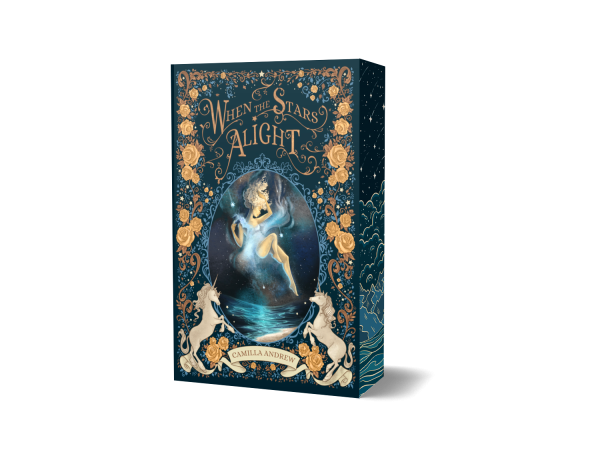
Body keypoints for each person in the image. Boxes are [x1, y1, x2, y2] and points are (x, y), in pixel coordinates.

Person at [230, 175, 298, 296]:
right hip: (259, 250)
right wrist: (234, 228)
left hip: (262, 245)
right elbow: (241, 242)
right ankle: (274, 254)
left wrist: (264, 200)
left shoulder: (253, 220)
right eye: (259, 205)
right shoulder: (251, 221)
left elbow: (269, 212)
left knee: (285, 259)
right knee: (273, 237)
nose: (261, 207)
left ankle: (292, 285)